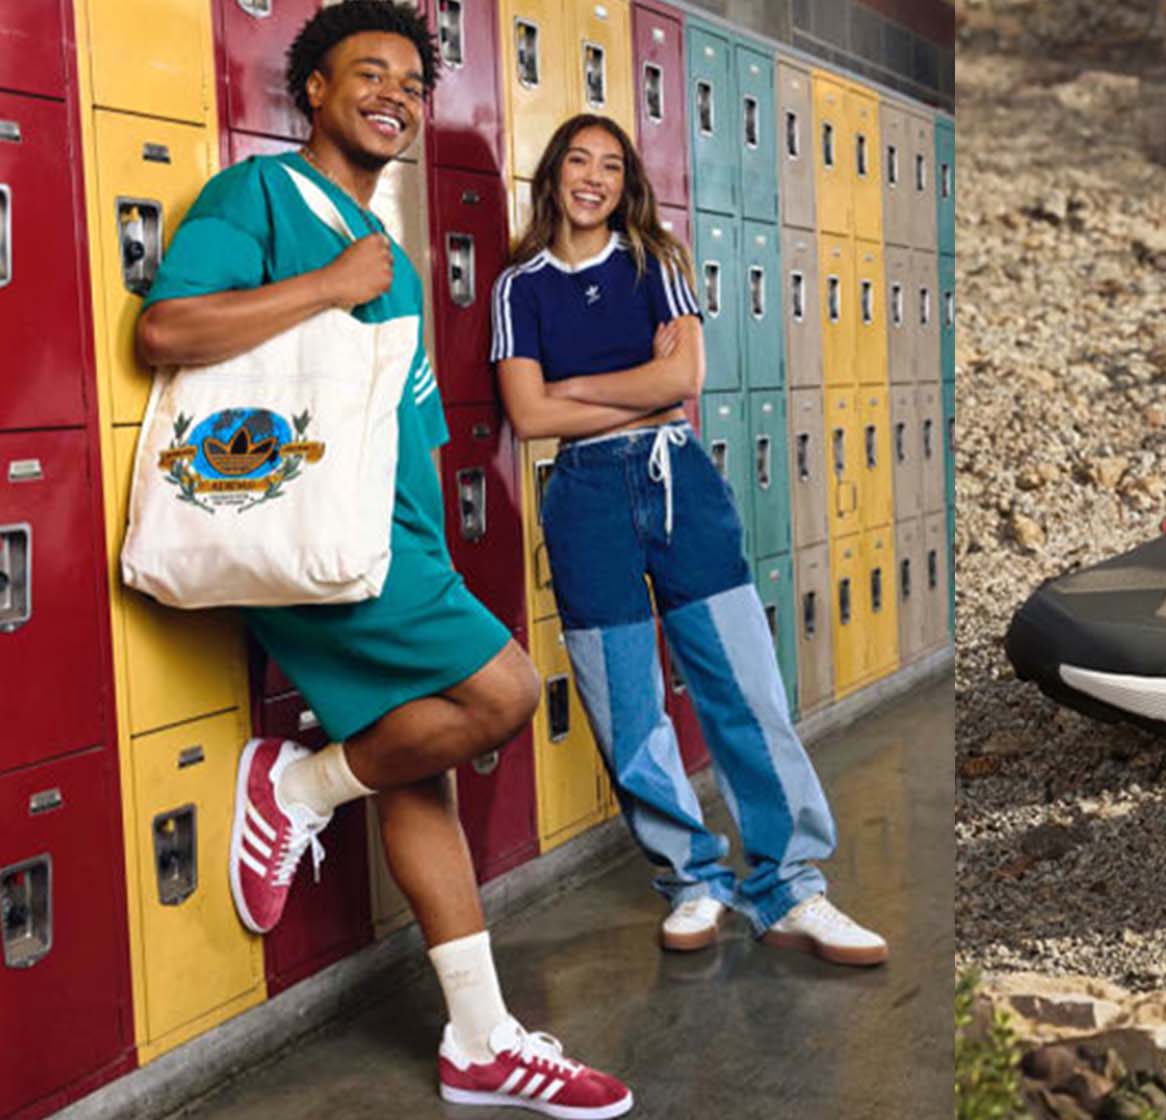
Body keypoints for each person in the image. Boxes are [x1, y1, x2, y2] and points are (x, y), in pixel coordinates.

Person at [134, 5, 632, 1115]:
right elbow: (166, 332)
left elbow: (402, 425)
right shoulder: (257, 196)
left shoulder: (393, 257)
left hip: (390, 537)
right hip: (308, 532)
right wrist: (329, 285)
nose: (396, 97)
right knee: (502, 691)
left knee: (423, 768)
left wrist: (365, 282)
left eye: (413, 83)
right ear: (310, 89)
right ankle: (299, 782)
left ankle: (478, 1037)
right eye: (370, 74)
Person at [491, 113, 888, 966]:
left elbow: (685, 381)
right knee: (625, 708)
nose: (591, 178)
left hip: (679, 484)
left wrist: (582, 385)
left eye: (609, 164)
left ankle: (791, 889)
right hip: (585, 494)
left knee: (745, 693)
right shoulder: (518, 286)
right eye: (576, 161)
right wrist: (639, 388)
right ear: (553, 175)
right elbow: (528, 417)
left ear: (626, 180)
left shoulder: (653, 262)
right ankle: (693, 881)